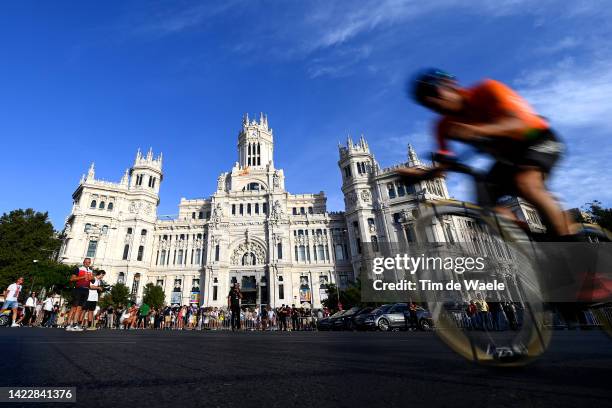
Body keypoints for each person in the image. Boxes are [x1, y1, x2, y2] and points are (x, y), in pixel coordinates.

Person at [407, 69, 570, 238]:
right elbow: (443, 166)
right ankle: (535, 243)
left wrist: (477, 130)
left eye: (434, 94)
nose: (434, 103)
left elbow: (522, 123)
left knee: (525, 183)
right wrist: (422, 175)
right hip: (507, 159)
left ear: (449, 85)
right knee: (489, 213)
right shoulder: (442, 126)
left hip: (537, 139)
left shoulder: (488, 89)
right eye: (427, 103)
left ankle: (569, 244)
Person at [66, 258, 93, 332]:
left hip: (86, 289)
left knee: (79, 308)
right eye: (86, 262)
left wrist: (92, 278)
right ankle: (68, 324)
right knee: (74, 307)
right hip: (78, 289)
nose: (88, 263)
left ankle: (75, 324)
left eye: (89, 262)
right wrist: (82, 277)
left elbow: (92, 281)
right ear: (83, 262)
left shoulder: (90, 270)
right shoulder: (78, 269)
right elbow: (72, 279)